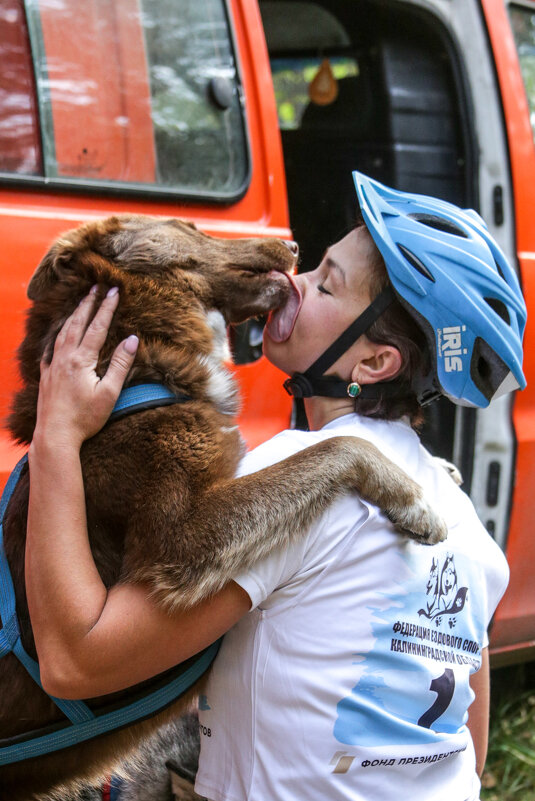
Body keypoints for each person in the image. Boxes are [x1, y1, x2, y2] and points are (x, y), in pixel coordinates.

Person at [26, 172, 526, 801]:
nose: (296, 281)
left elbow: (78, 662)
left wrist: (56, 435)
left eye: (325, 283)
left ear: (374, 363)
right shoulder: (468, 528)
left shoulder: (297, 476)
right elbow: (465, 752)